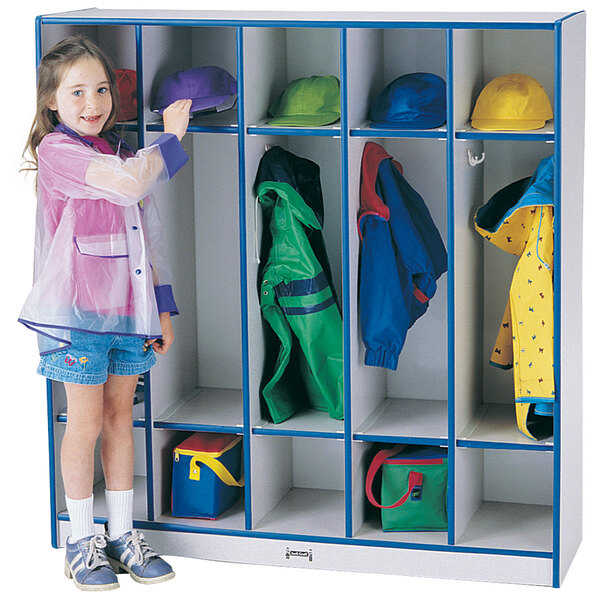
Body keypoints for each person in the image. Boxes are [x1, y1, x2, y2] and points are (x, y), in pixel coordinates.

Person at [19, 35, 192, 591]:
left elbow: (149, 241)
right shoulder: (59, 153)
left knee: (122, 419)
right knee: (86, 422)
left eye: (100, 89)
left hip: (128, 315)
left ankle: (122, 535)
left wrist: (162, 311)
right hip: (78, 318)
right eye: (77, 92)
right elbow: (129, 186)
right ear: (52, 101)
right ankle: (80, 541)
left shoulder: (117, 150)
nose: (92, 103)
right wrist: (172, 137)